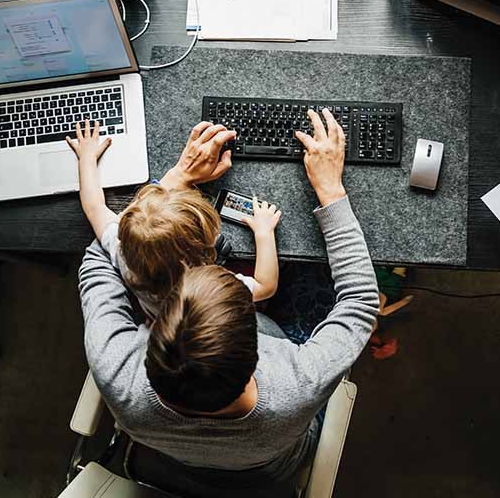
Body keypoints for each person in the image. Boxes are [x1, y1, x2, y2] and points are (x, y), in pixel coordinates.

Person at [77, 108, 380, 495]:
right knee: (314, 281)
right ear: (258, 350)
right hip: (273, 469)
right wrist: (331, 190)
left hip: (172, 461)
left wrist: (173, 183)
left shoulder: (115, 370)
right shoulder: (296, 385)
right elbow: (360, 301)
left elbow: (100, 255)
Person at [67, 120, 282, 318]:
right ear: (205, 250)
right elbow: (266, 286)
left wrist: (86, 158)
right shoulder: (210, 288)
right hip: (203, 316)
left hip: (159, 315)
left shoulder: (123, 252)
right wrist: (264, 233)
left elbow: (94, 207)